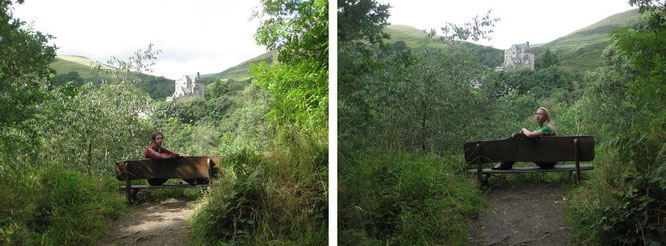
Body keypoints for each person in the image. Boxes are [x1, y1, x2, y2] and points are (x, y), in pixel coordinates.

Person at [491, 107, 558, 170]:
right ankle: (505, 164)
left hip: (547, 162)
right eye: (536, 114)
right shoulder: (541, 128)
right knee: (520, 146)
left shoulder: (547, 128)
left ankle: (504, 165)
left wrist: (523, 129)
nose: (537, 116)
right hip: (548, 160)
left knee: (519, 148)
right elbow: (527, 137)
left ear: (545, 117)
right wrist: (518, 135)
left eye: (540, 114)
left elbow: (529, 135)